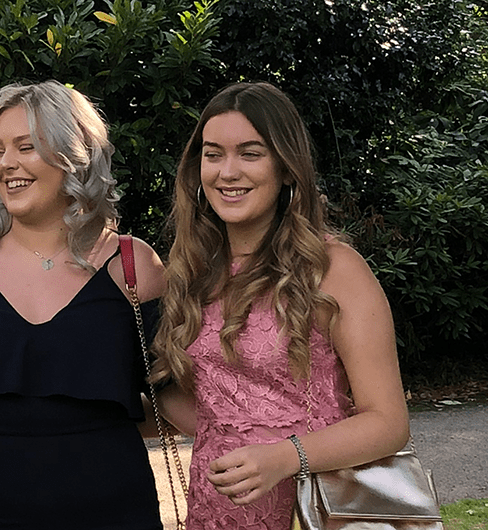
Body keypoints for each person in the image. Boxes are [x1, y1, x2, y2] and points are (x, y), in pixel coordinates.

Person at [0, 80, 165, 529]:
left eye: (26, 147)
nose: (7, 164)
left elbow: (174, 393)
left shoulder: (133, 264)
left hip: (114, 512)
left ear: (74, 155)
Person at [151, 82, 410, 530]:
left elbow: (388, 421)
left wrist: (284, 457)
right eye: (213, 154)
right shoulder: (194, 272)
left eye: (250, 153)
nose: (227, 172)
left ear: (287, 169)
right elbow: (218, 411)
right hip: (219, 514)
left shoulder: (333, 269)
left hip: (315, 511)